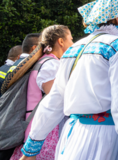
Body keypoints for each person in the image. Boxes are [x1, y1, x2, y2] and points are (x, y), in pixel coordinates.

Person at [18, 0, 118, 160]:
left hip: (72, 136)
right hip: (104, 138)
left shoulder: (74, 49)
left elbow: (54, 100)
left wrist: (32, 147)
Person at [10, 25, 73, 160]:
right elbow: (55, 98)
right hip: (44, 129)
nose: (73, 44)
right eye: (71, 40)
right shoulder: (51, 64)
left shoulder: (45, 61)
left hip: (39, 126)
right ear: (61, 42)